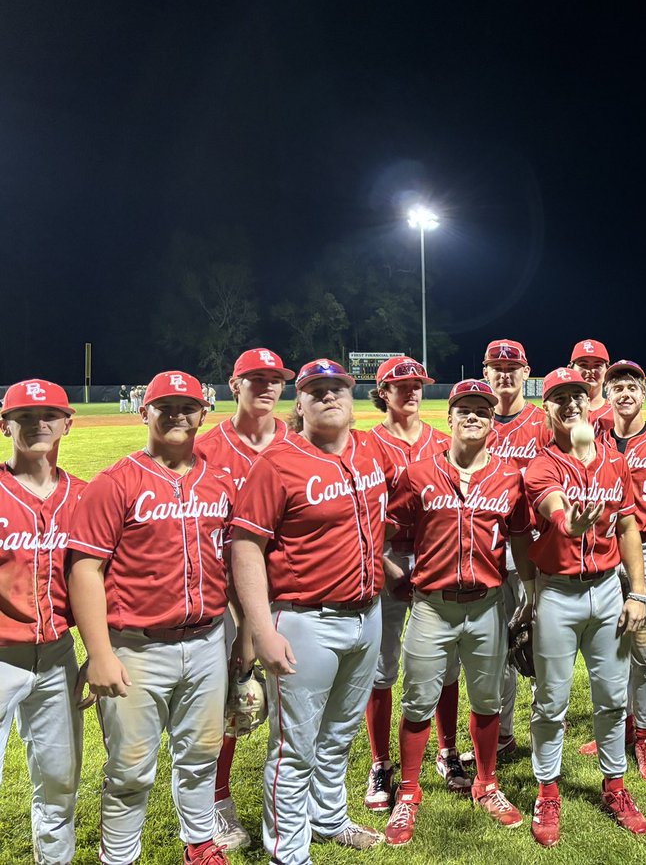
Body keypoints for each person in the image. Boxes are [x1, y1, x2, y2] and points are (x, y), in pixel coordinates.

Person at [231, 358, 403, 861]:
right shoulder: (277, 462)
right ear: (299, 403)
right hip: (305, 618)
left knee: (339, 734)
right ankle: (289, 850)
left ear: (352, 399)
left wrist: (389, 568)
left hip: (367, 614)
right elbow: (245, 547)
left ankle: (328, 818)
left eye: (338, 389)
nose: (330, 397)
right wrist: (261, 630)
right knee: (295, 746)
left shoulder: (371, 448)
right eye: (316, 390)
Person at [68, 370, 234, 865]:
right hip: (136, 648)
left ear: (204, 413)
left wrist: (241, 641)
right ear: (145, 411)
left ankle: (200, 843)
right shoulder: (114, 483)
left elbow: (232, 561)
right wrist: (99, 654)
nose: (179, 415)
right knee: (131, 767)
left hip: (208, 642)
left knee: (201, 754)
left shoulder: (220, 482)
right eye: (167, 406)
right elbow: (85, 571)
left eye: (189, 406)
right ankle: (118, 857)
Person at [384, 380, 533, 845]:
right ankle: (408, 793)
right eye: (464, 410)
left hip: (488, 605)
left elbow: (522, 536)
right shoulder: (418, 473)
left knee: (488, 701)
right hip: (432, 606)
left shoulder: (509, 476)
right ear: (447, 418)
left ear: (492, 422)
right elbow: (387, 527)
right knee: (417, 701)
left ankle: (487, 783)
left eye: (482, 412)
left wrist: (528, 591)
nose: (473, 417)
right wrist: (396, 574)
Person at [520, 367, 646, 847]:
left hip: (609, 590)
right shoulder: (542, 465)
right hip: (558, 593)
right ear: (548, 408)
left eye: (577, 394)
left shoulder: (615, 462)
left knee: (613, 698)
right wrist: (568, 524)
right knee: (551, 702)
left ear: (589, 398)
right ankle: (547, 790)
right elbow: (554, 508)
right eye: (559, 397)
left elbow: (628, 527)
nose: (570, 403)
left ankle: (615, 787)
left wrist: (637, 591)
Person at [194, 347, 295, 850]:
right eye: (254, 378)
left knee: (298, 707)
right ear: (233, 386)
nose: (266, 386)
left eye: (274, 378)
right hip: (229, 597)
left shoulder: (297, 443)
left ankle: (305, 805)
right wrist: (246, 624)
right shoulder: (207, 448)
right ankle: (217, 803)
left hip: (297, 594)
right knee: (226, 709)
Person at [577, 361, 646, 779]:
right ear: (606, 395)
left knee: (643, 651)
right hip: (607, 550)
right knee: (610, 649)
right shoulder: (594, 438)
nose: (625, 393)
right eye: (617, 386)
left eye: (632, 386)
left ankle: (644, 739)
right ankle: (620, 732)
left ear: (644, 394)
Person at [363, 354, 464, 808]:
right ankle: (381, 764)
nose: (412, 391)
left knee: (444, 662)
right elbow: (362, 515)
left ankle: (447, 751)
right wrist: (386, 565)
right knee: (382, 668)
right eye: (401, 385)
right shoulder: (366, 445)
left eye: (417, 383)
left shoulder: (444, 441)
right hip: (382, 556)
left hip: (435, 556)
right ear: (382, 393)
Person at [0, 380, 85, 865]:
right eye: (25, 415)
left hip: (57, 657)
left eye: (49, 414)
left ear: (67, 424)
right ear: (5, 424)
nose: (38, 424)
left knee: (59, 776)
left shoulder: (84, 496)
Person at [478, 338, 548, 758]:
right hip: (486, 553)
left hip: (534, 550)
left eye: (512, 367)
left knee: (541, 646)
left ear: (526, 373)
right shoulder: (475, 422)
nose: (504, 373)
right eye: (496, 367)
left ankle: (544, 737)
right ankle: (502, 735)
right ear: (486, 373)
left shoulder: (542, 423)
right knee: (495, 649)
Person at [568, 338, 614, 431]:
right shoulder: (559, 412)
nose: (590, 371)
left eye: (597, 365)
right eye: (583, 365)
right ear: (570, 369)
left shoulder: (617, 413)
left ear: (607, 371)